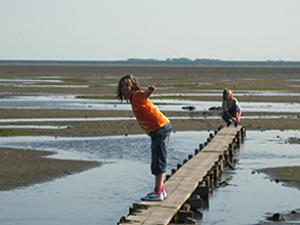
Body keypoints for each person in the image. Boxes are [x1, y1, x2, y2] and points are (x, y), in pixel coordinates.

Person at [117, 74, 172, 201]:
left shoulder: (137, 95)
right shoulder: (133, 99)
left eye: (127, 85)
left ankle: (158, 192)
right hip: (159, 128)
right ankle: (161, 190)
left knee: (158, 160)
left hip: (160, 128)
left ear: (133, 86)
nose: (125, 88)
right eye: (122, 86)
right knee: (158, 158)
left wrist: (149, 91)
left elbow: (144, 95)